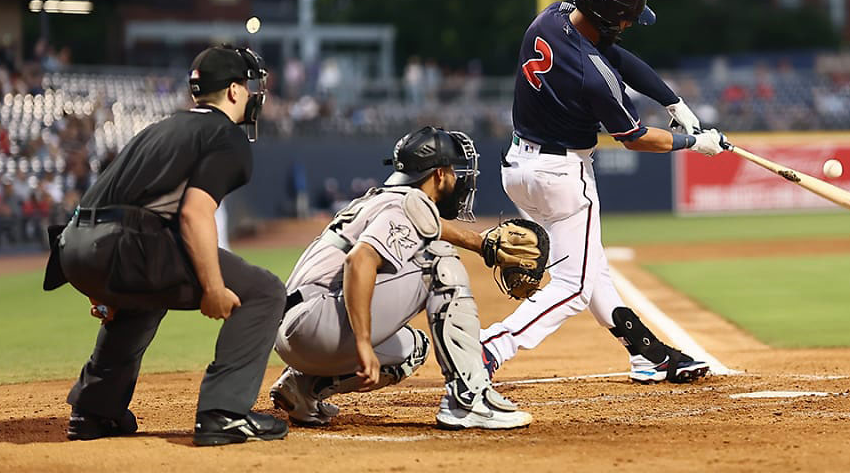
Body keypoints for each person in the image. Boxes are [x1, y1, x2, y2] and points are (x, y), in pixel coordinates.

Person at [479, 0, 726, 384]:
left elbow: (619, 57)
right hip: (562, 176)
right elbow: (635, 137)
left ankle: (648, 354)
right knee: (574, 287)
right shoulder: (594, 77)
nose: (631, 24)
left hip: (519, 169)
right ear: (610, 17)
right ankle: (488, 349)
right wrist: (694, 143)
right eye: (628, 17)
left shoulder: (552, 17)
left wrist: (673, 103)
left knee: (591, 270)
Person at [42, 44, 288, 446]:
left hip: (75, 245)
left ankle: (93, 412)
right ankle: (224, 414)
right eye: (248, 86)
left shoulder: (162, 127)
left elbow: (105, 200)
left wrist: (102, 284)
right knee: (264, 291)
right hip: (120, 245)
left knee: (146, 294)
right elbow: (194, 214)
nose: (253, 94)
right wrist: (212, 288)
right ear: (231, 91)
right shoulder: (225, 136)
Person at [270, 126, 532, 430]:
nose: (457, 178)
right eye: (453, 171)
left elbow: (426, 226)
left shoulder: (383, 199)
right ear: (438, 175)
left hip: (292, 334)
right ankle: (469, 398)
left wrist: (479, 243)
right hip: (318, 324)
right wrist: (363, 342)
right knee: (437, 260)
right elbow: (360, 260)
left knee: (411, 349)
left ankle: (302, 387)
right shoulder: (409, 204)